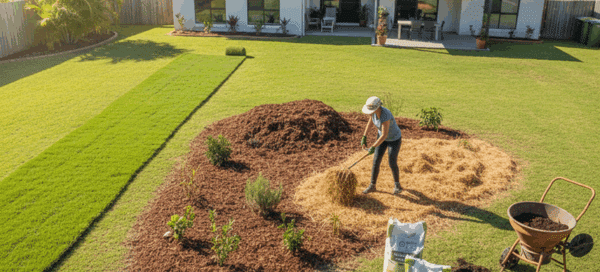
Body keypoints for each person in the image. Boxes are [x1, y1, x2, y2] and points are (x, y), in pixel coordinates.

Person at [360, 96, 402, 195]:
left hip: (394, 139)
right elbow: (370, 122)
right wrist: (364, 136)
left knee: (392, 161)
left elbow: (384, 135)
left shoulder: (385, 115)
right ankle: (372, 185)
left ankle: (397, 186)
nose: (370, 112)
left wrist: (373, 147)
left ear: (378, 107)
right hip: (382, 138)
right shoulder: (373, 113)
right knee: (376, 160)